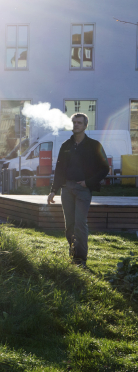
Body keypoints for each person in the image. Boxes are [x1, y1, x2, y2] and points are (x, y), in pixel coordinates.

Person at [47, 113, 109, 268]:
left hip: (83, 190)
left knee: (80, 224)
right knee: (70, 225)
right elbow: (59, 169)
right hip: (66, 189)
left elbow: (104, 168)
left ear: (85, 125)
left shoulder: (95, 145)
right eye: (74, 122)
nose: (76, 125)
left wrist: (88, 182)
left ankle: (81, 260)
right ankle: (73, 255)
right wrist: (53, 190)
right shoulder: (65, 145)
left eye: (79, 123)